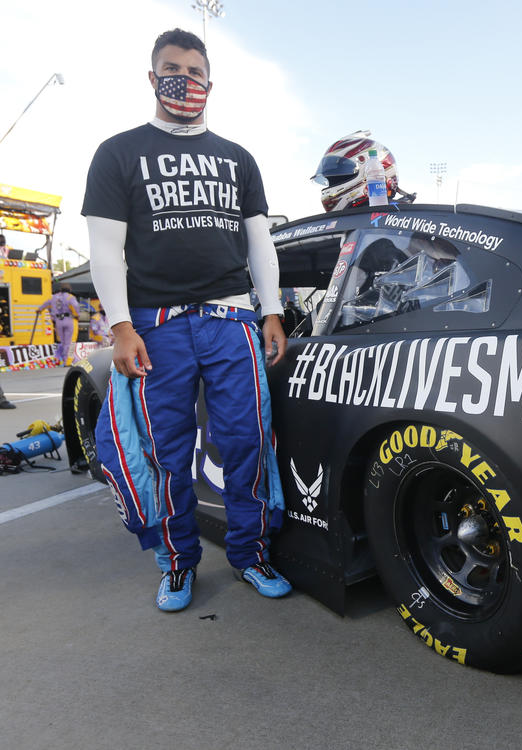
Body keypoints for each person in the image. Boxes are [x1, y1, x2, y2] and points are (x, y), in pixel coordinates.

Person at [83, 28, 290, 612]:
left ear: (210, 82)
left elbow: (260, 245)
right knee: (166, 451)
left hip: (232, 320)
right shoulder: (118, 152)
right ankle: (177, 562)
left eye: (195, 72)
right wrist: (121, 326)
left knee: (246, 442)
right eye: (172, 69)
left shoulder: (238, 157)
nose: (185, 81)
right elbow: (105, 249)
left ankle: (251, 555)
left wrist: (270, 311)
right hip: (157, 326)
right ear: (152, 78)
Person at [37, 282, 80, 366]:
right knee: (70, 342)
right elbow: (75, 306)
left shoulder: (54, 297)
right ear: (69, 290)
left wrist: (39, 310)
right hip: (69, 320)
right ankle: (68, 362)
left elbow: (46, 303)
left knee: (63, 342)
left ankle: (65, 360)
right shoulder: (70, 297)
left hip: (58, 321)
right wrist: (77, 315)